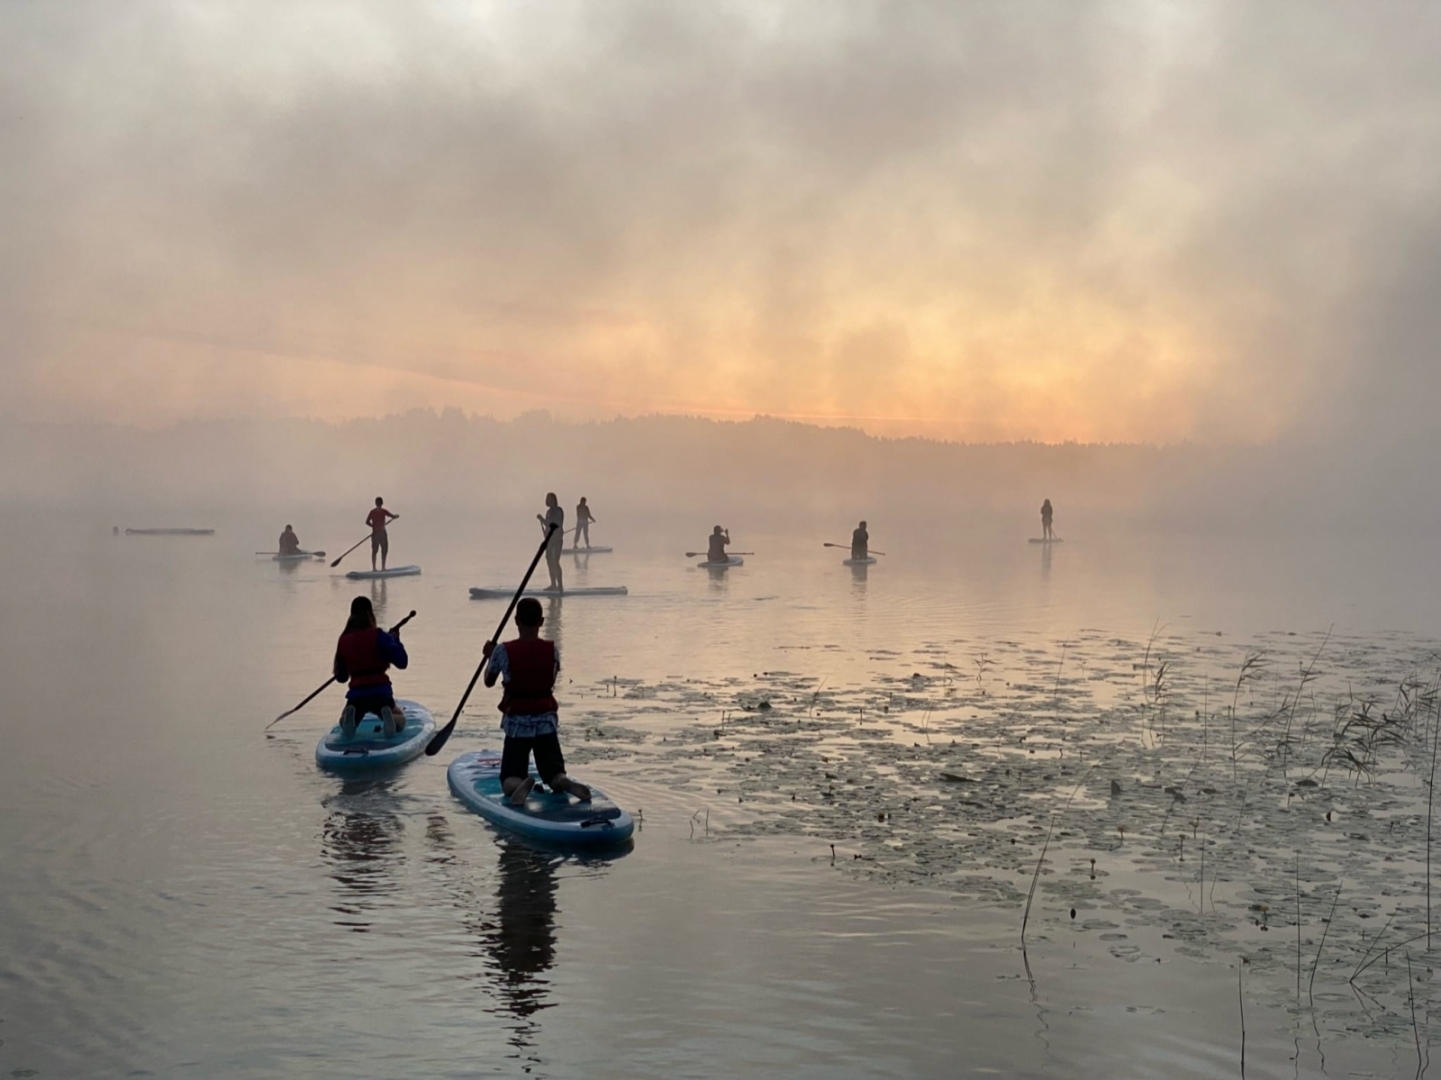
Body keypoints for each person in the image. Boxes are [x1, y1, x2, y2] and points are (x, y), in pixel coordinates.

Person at [482, 598, 591, 806]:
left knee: (508, 781)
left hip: (517, 724)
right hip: (545, 721)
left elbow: (488, 681)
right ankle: (563, 782)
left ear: (516, 621)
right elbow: (550, 678)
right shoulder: (553, 651)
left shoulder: (503, 651)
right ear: (541, 622)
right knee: (554, 773)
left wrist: (489, 657)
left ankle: (520, 784)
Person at [333, 596, 409, 738]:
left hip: (356, 694)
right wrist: (395, 640)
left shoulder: (343, 640)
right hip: (381, 692)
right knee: (400, 719)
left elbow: (342, 677)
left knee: (344, 717)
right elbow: (402, 662)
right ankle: (390, 718)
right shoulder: (380, 636)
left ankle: (348, 720)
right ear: (370, 614)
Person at [536, 493, 564, 590]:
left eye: (550, 499)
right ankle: (553, 584)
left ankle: (560, 586)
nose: (548, 500)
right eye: (547, 499)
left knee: (555, 562)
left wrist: (542, 519)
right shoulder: (548, 512)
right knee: (549, 562)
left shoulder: (558, 511)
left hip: (556, 540)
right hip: (549, 541)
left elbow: (553, 524)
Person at [366, 497, 398, 571]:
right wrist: (396, 516)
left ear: (376, 503)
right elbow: (392, 516)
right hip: (381, 533)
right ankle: (383, 568)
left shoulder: (372, 512)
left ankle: (374, 568)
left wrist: (373, 526)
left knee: (374, 551)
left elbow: (367, 522)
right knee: (384, 550)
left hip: (375, 533)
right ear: (382, 503)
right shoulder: (383, 511)